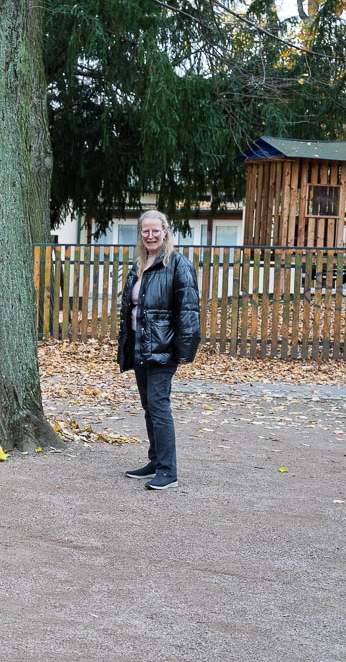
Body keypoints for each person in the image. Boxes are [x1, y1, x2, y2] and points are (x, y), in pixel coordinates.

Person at [117, 209, 200, 490]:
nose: (150, 236)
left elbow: (188, 311)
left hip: (163, 349)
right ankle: (155, 461)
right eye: (146, 231)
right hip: (140, 346)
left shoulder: (178, 264)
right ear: (140, 234)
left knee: (158, 406)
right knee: (149, 407)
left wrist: (183, 351)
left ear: (165, 232)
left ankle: (168, 471)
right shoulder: (140, 264)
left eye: (155, 230)